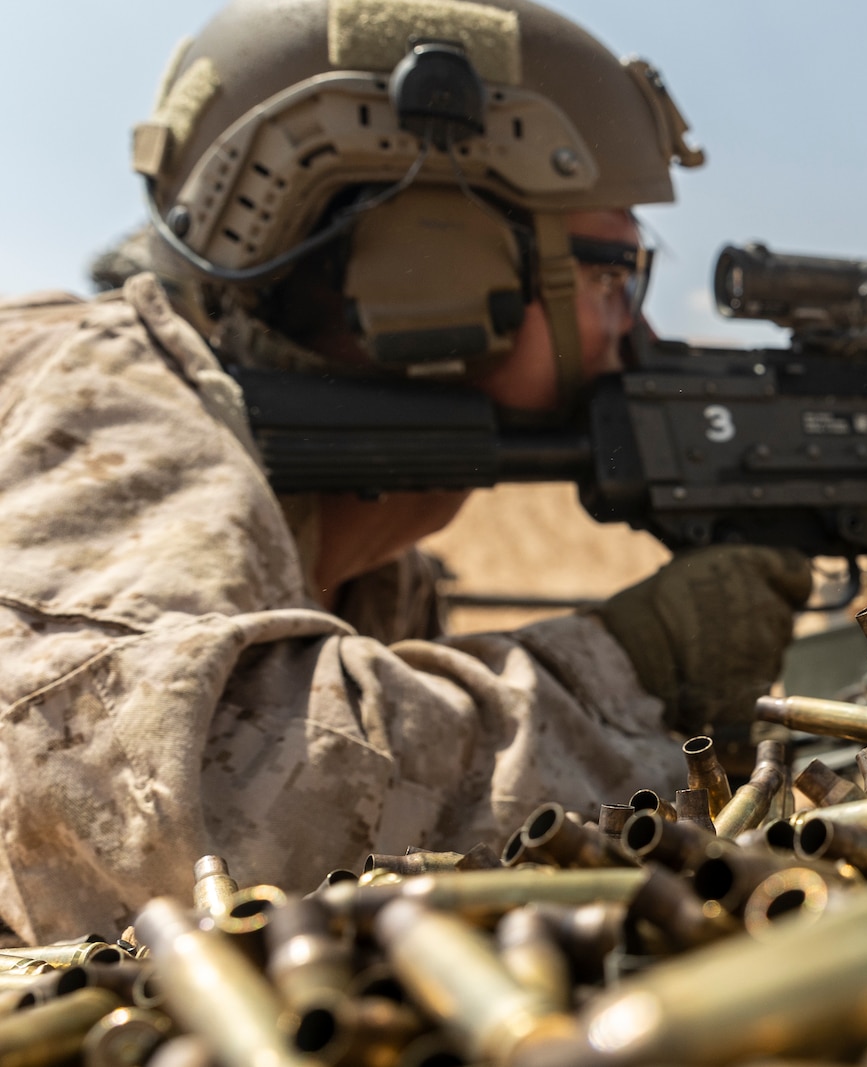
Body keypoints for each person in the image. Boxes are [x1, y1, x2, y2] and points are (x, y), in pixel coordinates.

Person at [0, 0, 810, 942]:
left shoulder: (350, 531)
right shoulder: (104, 400)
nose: (635, 328)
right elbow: (161, 830)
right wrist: (631, 677)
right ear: (431, 267)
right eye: (610, 274)